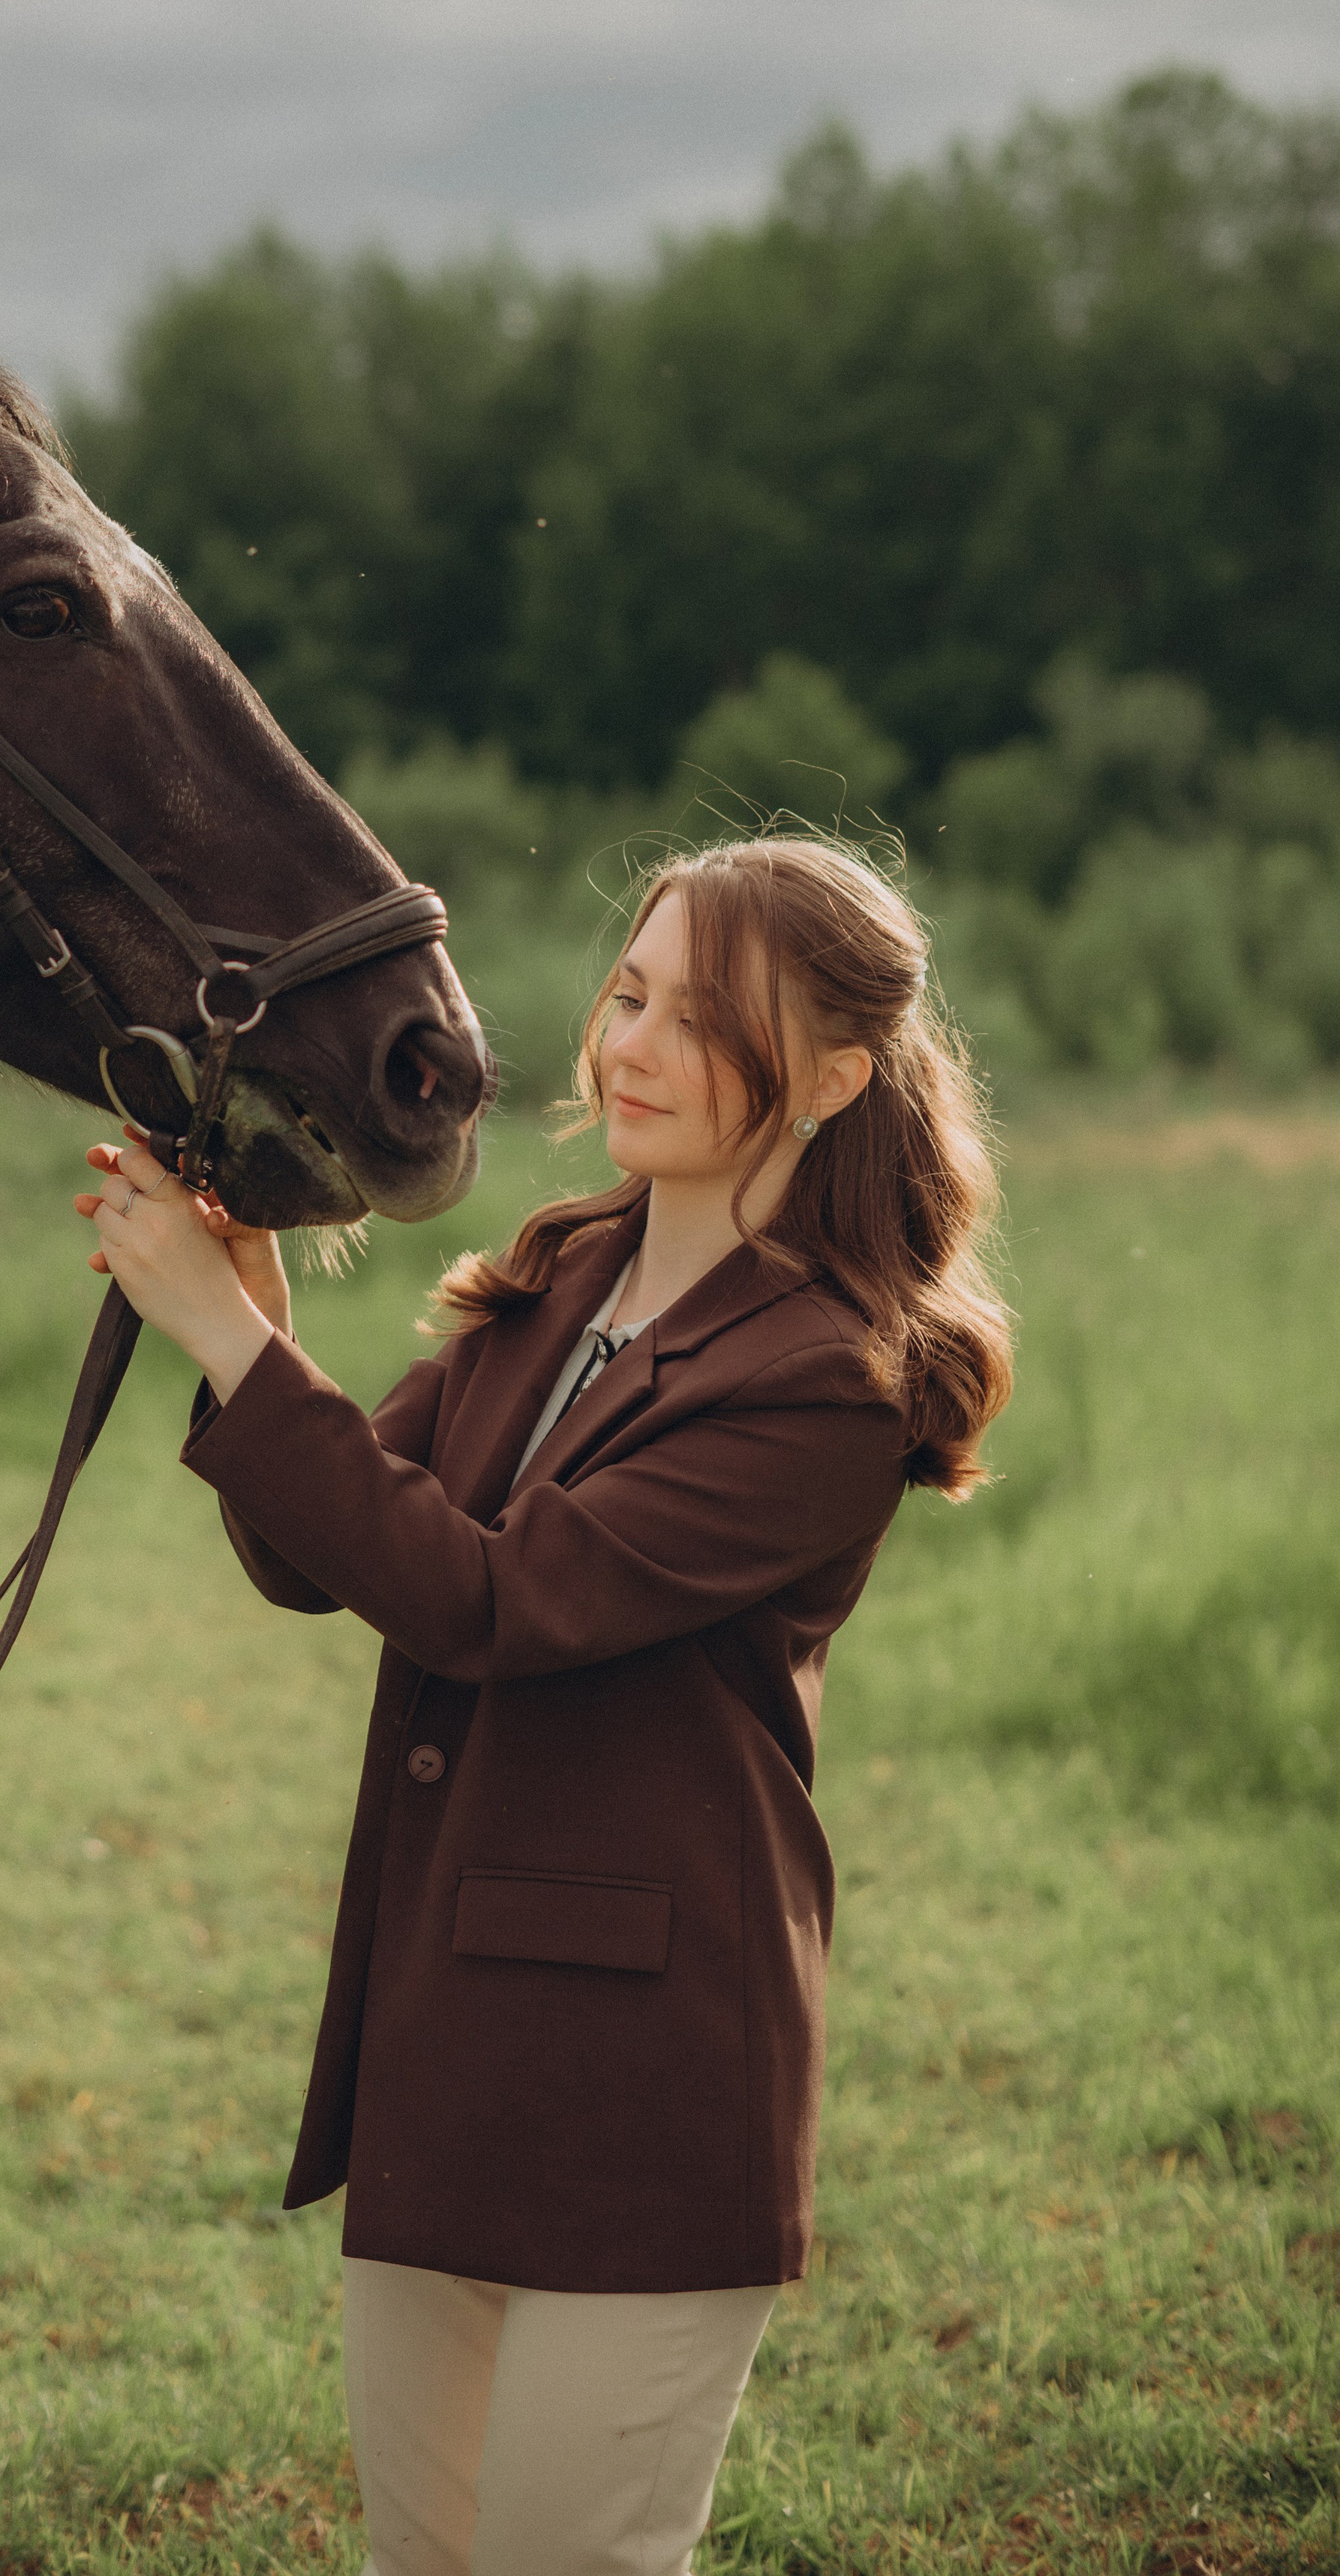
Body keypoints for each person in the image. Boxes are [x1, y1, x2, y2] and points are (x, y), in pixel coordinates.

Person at [74, 837, 1013, 2576]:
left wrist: (234, 1350)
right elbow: (333, 1556)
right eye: (629, 993)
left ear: (831, 1075)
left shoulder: (821, 1380)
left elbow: (487, 1600)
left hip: (649, 2086)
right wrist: (260, 1338)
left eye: (702, 1016)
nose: (632, 1045)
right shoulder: (564, 1267)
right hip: (442, 2036)